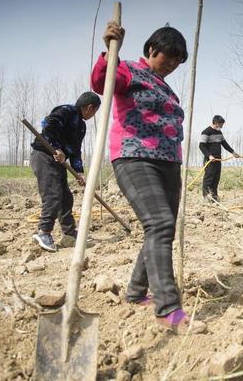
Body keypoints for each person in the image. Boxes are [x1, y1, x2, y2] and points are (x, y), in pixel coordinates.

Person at [91, 20, 205, 334]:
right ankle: (168, 310)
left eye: (176, 61)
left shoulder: (166, 87)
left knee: (160, 228)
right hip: (135, 156)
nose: (170, 64)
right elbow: (102, 83)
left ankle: (136, 292)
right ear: (152, 49)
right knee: (160, 224)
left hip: (169, 162)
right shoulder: (128, 69)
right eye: (167, 56)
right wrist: (109, 52)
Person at [30, 92, 101, 252]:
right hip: (44, 156)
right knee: (53, 195)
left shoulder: (81, 126)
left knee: (66, 197)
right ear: (90, 108)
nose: (93, 114)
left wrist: (79, 172)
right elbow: (49, 126)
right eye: (95, 111)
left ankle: (69, 234)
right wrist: (56, 147)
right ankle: (44, 232)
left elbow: (76, 151)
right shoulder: (66, 111)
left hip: (58, 162)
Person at [199, 115, 240, 201]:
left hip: (218, 159)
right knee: (208, 178)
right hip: (209, 160)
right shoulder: (206, 132)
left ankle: (214, 196)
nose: (222, 126)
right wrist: (209, 155)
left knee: (216, 178)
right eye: (221, 124)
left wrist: (233, 152)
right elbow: (201, 146)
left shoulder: (219, 133)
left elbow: (224, 143)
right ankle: (206, 197)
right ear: (216, 123)